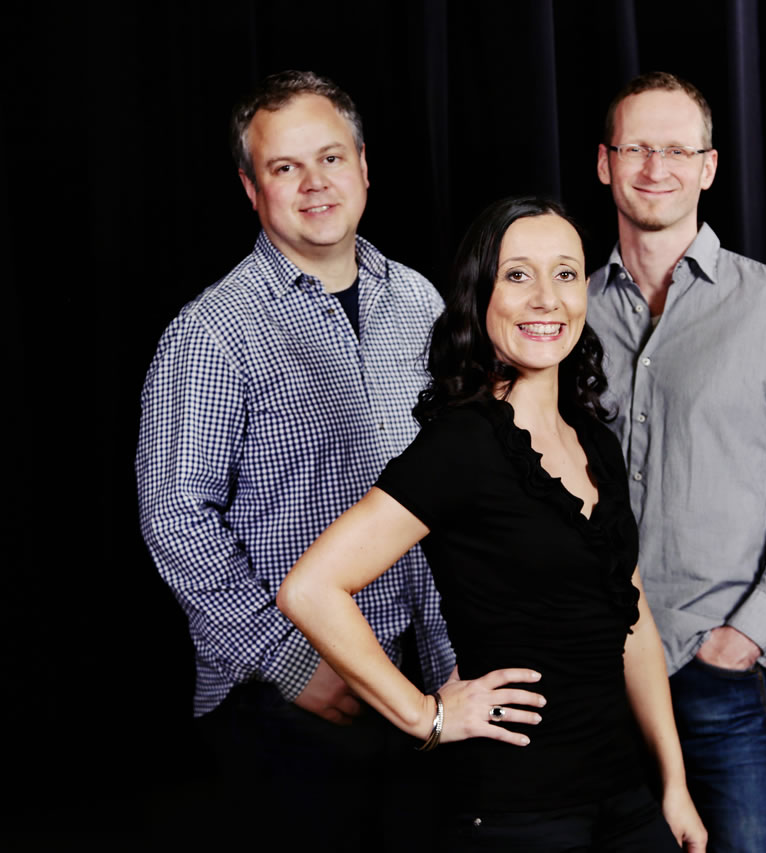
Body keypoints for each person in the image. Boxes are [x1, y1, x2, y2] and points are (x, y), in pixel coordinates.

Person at [278, 196, 708, 852]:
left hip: (625, 797)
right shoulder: (464, 445)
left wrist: (673, 783)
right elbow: (310, 588)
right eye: (518, 275)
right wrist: (426, 716)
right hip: (518, 812)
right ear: (481, 295)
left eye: (565, 274)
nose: (546, 298)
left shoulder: (595, 441)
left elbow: (635, 619)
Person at [135, 70, 453, 848]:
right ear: (252, 189)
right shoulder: (213, 332)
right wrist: (288, 661)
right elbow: (175, 516)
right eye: (285, 167)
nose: (315, 183)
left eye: (331, 158)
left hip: (419, 680)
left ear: (364, 166)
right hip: (289, 705)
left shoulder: (420, 302)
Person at [587, 72, 766, 852]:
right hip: (591, 677)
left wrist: (746, 633)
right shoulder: (565, 311)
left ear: (708, 167)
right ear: (605, 162)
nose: (655, 168)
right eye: (636, 148)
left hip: (717, 675)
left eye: (677, 150)